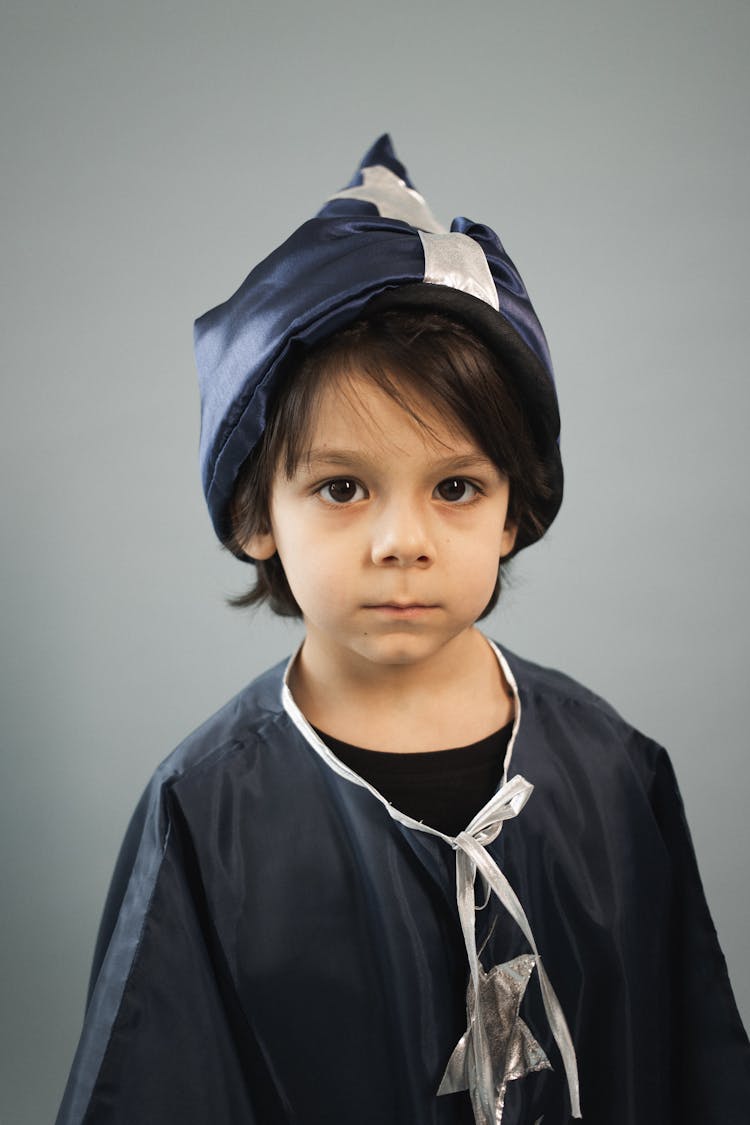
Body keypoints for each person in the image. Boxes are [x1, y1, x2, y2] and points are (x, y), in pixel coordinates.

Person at [56, 136, 750, 1125]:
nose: (401, 542)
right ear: (258, 517)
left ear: (515, 512)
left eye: (456, 487)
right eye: (342, 487)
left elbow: (693, 1068)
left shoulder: (613, 771)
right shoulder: (209, 814)